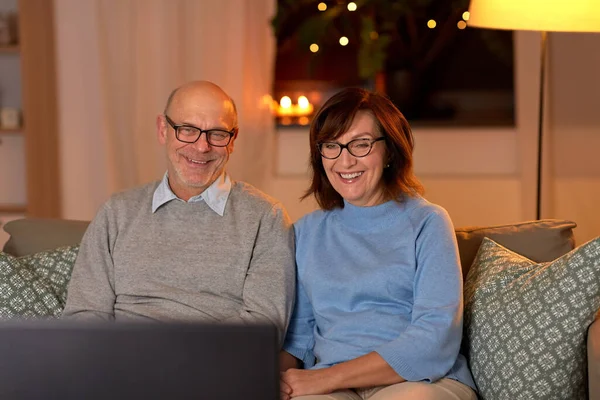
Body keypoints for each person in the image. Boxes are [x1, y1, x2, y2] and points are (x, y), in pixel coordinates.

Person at [279, 88, 477, 400]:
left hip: (420, 381)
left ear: (390, 152)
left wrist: (326, 378)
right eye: (332, 145)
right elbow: (299, 339)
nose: (345, 161)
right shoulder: (306, 233)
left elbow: (434, 339)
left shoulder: (428, 222)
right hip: (332, 387)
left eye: (361, 144)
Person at [62, 81, 296, 342]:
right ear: (163, 130)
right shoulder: (116, 212)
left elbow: (265, 325)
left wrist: (177, 357)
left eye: (217, 133)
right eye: (187, 130)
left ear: (232, 140)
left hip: (213, 368)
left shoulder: (266, 217)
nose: (201, 147)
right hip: (122, 366)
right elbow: (85, 314)